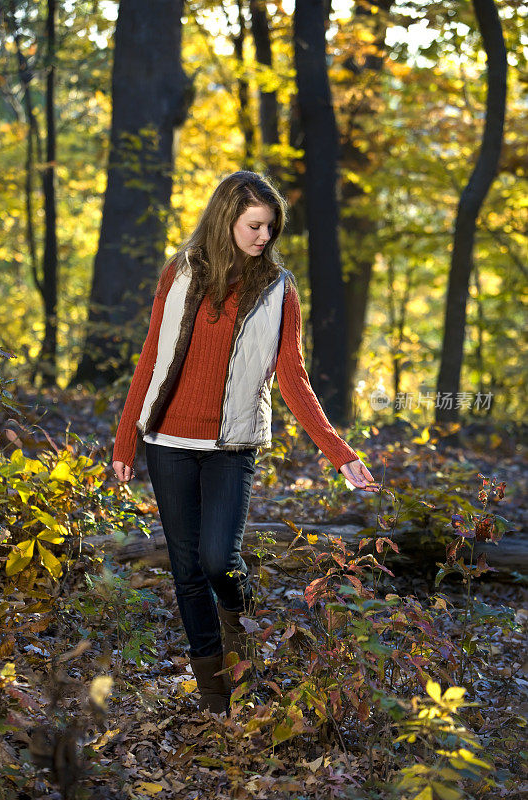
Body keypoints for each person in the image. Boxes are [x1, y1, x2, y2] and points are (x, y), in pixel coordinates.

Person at [112, 171, 378, 717]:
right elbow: (150, 358)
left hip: (233, 447)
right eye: (254, 225)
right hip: (169, 442)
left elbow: (293, 378)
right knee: (187, 571)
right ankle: (215, 692)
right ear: (225, 219)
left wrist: (339, 452)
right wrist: (125, 441)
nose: (263, 237)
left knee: (218, 561)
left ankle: (241, 644)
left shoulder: (279, 290)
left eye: (270, 228)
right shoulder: (179, 274)